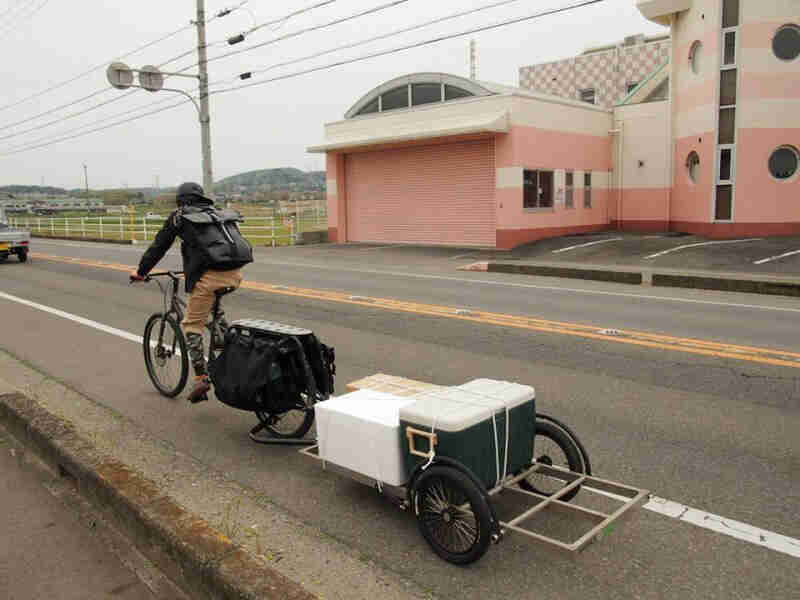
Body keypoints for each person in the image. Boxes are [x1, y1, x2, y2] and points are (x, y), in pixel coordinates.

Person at [130, 182, 253, 403]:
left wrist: (141, 272)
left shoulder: (180, 216)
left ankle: (201, 377)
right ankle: (228, 348)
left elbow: (159, 246)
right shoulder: (214, 213)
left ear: (181, 200)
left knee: (191, 324)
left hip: (209, 278)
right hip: (235, 273)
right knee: (212, 314)